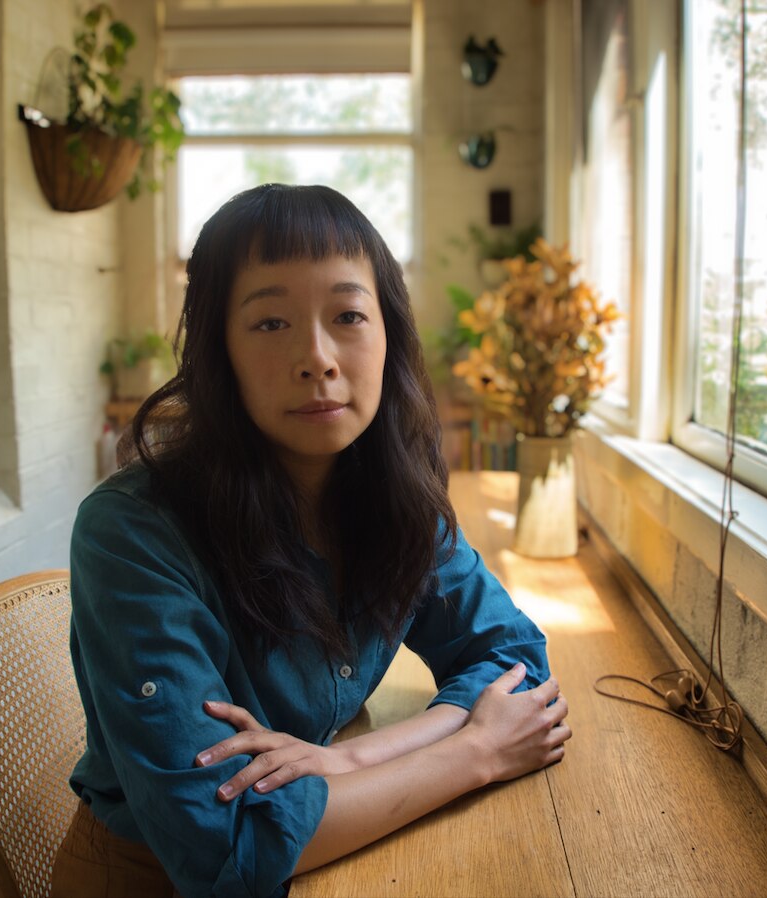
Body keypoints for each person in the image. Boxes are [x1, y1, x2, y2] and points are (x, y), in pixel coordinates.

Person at [53, 184, 571, 898]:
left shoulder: (390, 494)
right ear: (217, 351)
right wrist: (475, 751)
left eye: (348, 315)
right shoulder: (134, 531)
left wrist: (354, 761)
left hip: (333, 843)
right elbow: (225, 849)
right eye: (270, 323)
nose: (317, 357)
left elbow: (515, 658)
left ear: (388, 334)